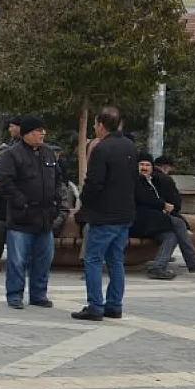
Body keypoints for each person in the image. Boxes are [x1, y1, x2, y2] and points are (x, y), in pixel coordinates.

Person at [71, 108, 137, 321]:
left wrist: (85, 201)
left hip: (104, 215)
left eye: (95, 124)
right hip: (124, 214)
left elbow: (94, 182)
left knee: (93, 259)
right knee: (116, 260)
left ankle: (95, 306)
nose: (94, 128)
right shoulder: (129, 146)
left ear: (101, 124)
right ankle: (115, 305)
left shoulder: (102, 148)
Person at [0, 115, 64, 309]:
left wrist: (57, 200)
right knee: (18, 260)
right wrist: (22, 203)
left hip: (45, 217)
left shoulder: (48, 153)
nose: (42, 134)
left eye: (43, 131)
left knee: (44, 259)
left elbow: (58, 179)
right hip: (22, 218)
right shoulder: (11, 154)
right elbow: (5, 183)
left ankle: (39, 295)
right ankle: (15, 295)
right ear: (26, 133)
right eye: (38, 131)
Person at [129, 153, 195, 281]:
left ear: (152, 167)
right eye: (141, 164)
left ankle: (158, 268)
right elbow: (143, 198)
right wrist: (163, 205)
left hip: (151, 222)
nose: (144, 167)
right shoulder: (134, 180)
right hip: (139, 222)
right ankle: (193, 261)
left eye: (147, 165)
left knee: (171, 235)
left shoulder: (151, 180)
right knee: (178, 223)